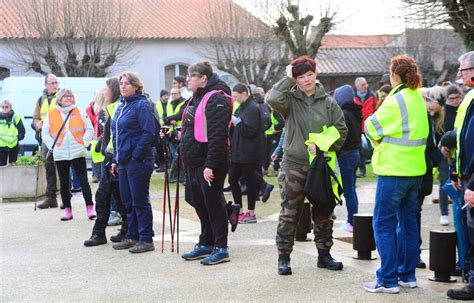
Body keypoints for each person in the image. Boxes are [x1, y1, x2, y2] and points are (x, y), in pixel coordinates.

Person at [266, 55, 348, 275]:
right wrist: (287, 79)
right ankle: (284, 257)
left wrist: (321, 144)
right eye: (301, 76)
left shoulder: (329, 102)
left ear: (316, 74)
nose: (307, 80)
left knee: (324, 211)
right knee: (290, 212)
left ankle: (324, 254)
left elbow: (341, 131)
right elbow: (272, 99)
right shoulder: (290, 100)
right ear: (296, 79)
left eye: (309, 74)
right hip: (294, 164)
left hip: (321, 164)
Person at [363, 55, 429, 294]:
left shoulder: (395, 100)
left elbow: (370, 126)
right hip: (415, 171)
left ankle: (387, 279)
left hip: (393, 170)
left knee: (383, 224)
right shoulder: (417, 98)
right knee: (408, 223)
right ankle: (407, 275)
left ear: (394, 75)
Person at [180, 61, 233, 265]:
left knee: (213, 204)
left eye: (191, 76)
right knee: (199, 203)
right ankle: (206, 242)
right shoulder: (197, 97)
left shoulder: (217, 97)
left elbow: (218, 135)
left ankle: (221, 247)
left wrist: (210, 164)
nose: (187, 80)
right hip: (195, 160)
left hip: (210, 161)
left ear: (203, 78)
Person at [110, 72, 157, 254]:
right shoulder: (121, 106)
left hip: (138, 161)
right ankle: (132, 235)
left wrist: (136, 155)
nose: (123, 86)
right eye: (121, 83)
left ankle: (146, 238)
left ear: (136, 86)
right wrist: (115, 159)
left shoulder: (141, 105)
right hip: (123, 161)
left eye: (127, 83)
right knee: (128, 201)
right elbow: (117, 136)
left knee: (139, 200)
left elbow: (149, 133)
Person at [84, 77, 128, 247]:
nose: (103, 92)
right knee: (110, 195)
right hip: (111, 159)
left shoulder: (117, 107)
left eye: (106, 89)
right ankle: (103, 232)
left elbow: (117, 135)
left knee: (110, 196)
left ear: (113, 91)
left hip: (116, 160)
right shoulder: (111, 108)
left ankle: (105, 232)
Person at [41, 88, 95, 221]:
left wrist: (84, 142)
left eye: (71, 96)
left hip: (78, 151)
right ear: (60, 99)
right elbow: (45, 133)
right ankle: (67, 210)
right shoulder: (51, 113)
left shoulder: (80, 111)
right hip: (60, 153)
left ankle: (90, 208)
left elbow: (89, 128)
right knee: (64, 183)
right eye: (66, 97)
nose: (69, 99)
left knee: (83, 181)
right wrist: (53, 147)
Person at [446, 51, 474, 300]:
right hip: (465, 173)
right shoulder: (470, 97)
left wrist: (472, 182)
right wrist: (456, 171)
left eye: (463, 70)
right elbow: (463, 137)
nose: (460, 75)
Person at [415, 86, 445, 269]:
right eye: (433, 108)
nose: (434, 112)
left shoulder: (431, 117)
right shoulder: (421, 115)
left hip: (422, 171)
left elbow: (431, 146)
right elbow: (428, 147)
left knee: (414, 213)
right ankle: (412, 253)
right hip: (416, 171)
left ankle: (413, 253)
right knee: (410, 215)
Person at [229, 83, 264, 224]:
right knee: (232, 179)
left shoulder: (252, 108)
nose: (235, 99)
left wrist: (236, 121)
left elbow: (250, 131)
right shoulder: (242, 107)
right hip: (238, 151)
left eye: (236, 96)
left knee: (249, 182)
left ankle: (251, 213)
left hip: (249, 152)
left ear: (244, 93)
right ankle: (239, 210)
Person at [334, 85, 363, 233]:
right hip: (355, 153)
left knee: (348, 191)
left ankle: (351, 222)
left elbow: (341, 137)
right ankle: (354, 220)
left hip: (345, 154)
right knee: (351, 190)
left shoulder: (344, 114)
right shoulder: (355, 112)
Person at [33, 74, 59, 209]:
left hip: (60, 139)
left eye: (56, 82)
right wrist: (37, 124)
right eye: (52, 83)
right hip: (46, 139)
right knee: (49, 168)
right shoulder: (40, 99)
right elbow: (35, 117)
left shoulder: (63, 97)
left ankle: (67, 199)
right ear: (46, 85)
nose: (55, 85)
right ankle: (51, 198)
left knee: (63, 168)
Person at [354, 77, 378, 178]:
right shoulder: (352, 96)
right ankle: (362, 171)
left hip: (370, 127)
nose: (366, 86)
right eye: (363, 85)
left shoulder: (372, 96)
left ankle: (376, 170)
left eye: (366, 84)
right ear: (357, 86)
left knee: (374, 149)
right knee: (359, 150)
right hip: (357, 127)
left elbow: (377, 110)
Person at [0, 100, 25, 166]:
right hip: (1, 147)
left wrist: (17, 138)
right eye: (2, 107)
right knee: (1, 168)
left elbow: (22, 131)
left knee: (13, 167)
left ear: (11, 107)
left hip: (14, 146)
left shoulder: (16, 118)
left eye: (6, 107)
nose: (4, 109)